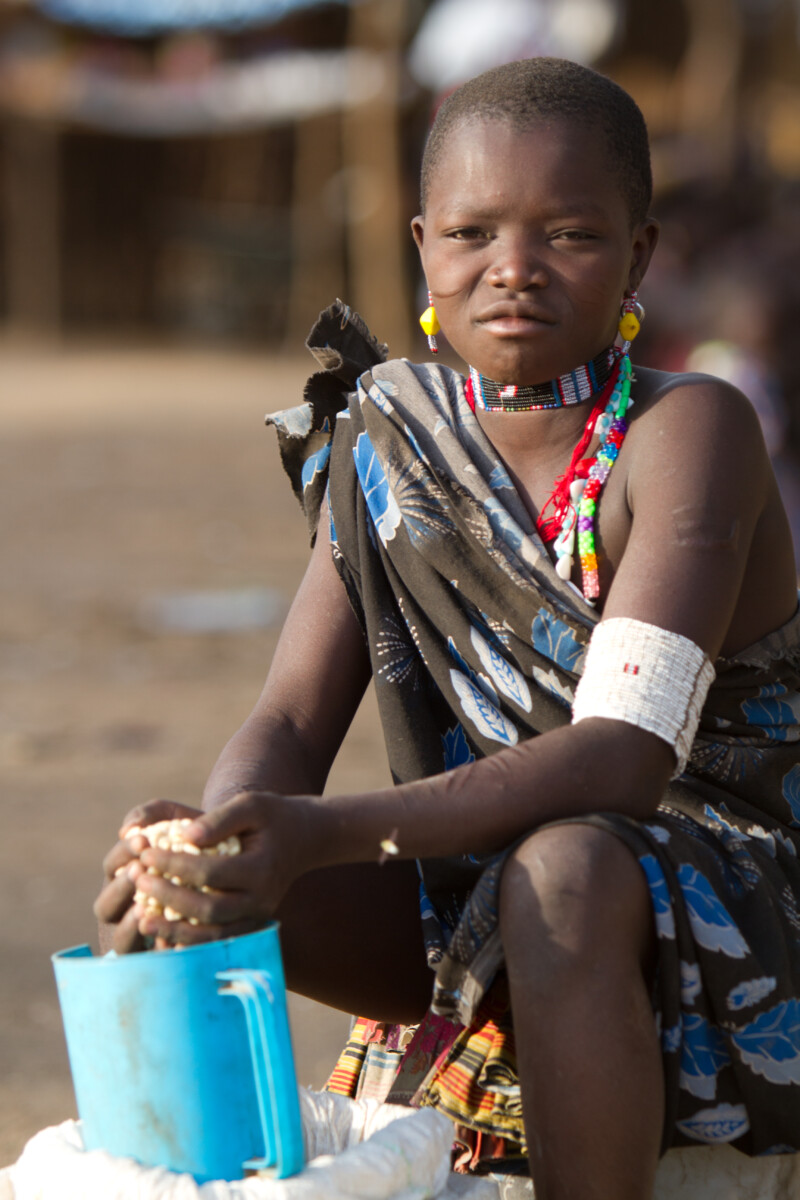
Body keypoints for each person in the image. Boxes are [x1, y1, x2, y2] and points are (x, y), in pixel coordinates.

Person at [95, 58, 800, 1200]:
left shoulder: (687, 433)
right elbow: (285, 716)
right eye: (471, 232)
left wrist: (321, 835)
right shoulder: (383, 440)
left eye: (565, 234)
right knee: (186, 874)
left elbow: (624, 756)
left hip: (717, 890)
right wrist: (218, 842)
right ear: (421, 245)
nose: (510, 269)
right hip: (473, 869)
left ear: (636, 256)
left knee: (564, 866)